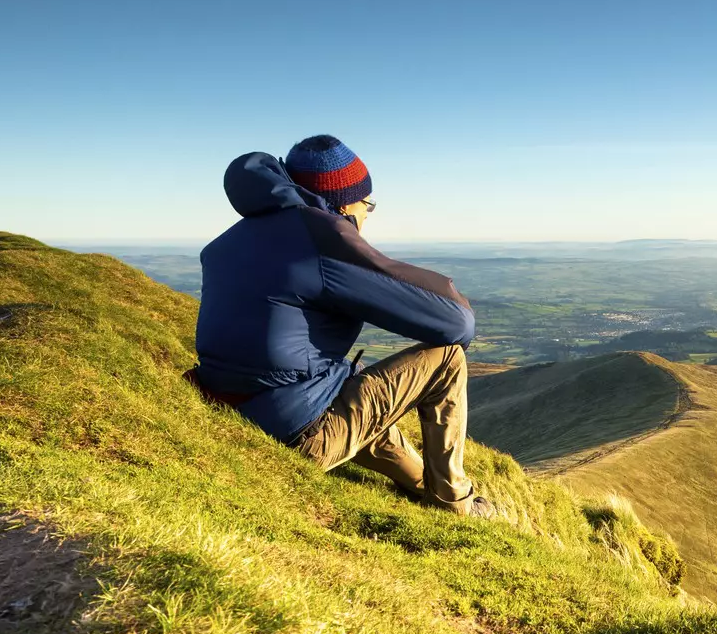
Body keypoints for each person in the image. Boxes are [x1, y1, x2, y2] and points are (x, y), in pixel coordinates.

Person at [189, 135, 492, 516]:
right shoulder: (322, 237)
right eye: (368, 204)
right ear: (346, 202)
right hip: (296, 431)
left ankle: (420, 485)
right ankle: (456, 502)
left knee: (352, 378)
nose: (367, 215)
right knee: (446, 359)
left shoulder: (229, 241)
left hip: (233, 404)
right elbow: (455, 323)